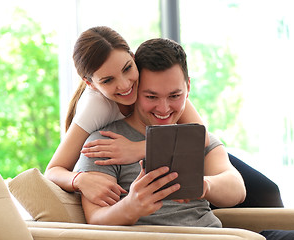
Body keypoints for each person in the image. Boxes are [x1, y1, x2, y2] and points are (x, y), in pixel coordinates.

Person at [74, 38, 294, 240]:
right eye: (151, 96)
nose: (164, 109)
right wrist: (131, 206)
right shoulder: (104, 142)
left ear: (188, 87)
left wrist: (204, 186)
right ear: (135, 89)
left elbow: (236, 189)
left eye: (175, 96)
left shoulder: (197, 136)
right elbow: (95, 219)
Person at [45, 26, 207, 207]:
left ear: (133, 57)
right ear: (90, 83)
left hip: (199, 163)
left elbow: (201, 138)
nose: (124, 85)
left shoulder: (154, 83)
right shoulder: (97, 108)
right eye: (108, 80)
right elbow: (52, 170)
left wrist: (139, 148)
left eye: (127, 68)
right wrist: (80, 180)